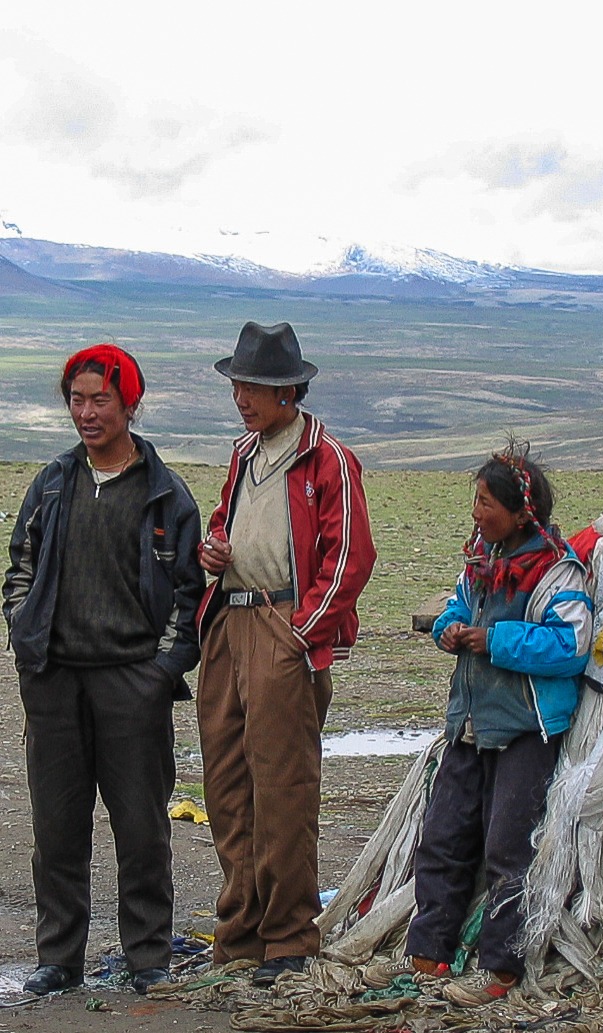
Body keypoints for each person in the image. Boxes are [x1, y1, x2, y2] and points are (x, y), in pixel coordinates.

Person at [2, 344, 205, 996]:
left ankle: (148, 957)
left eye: (101, 399)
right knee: (57, 828)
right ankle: (58, 957)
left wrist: (161, 671)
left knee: (142, 829)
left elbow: (191, 595)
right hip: (56, 680)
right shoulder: (54, 482)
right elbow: (21, 569)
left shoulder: (166, 494)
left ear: (129, 403)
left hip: (131, 682)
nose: (87, 412)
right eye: (77, 399)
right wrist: (29, 645)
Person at [364, 443, 593, 1007]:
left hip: (523, 732)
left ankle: (500, 970)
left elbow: (571, 645)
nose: (476, 512)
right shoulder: (483, 566)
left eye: (487, 502)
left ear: (521, 512)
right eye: (476, 499)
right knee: (443, 838)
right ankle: (428, 956)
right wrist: (449, 627)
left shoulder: (557, 574)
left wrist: (492, 640)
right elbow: (458, 607)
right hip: (469, 724)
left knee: (507, 850)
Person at [196, 321, 376, 988]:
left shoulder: (329, 458)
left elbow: (351, 555)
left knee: (282, 787)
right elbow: (223, 522)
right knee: (227, 784)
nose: (243, 396)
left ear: (288, 391)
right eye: (239, 383)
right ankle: (240, 930)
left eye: (256, 386)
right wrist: (213, 547)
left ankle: (288, 935)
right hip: (229, 623)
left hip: (281, 624)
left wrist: (305, 631)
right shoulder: (244, 455)